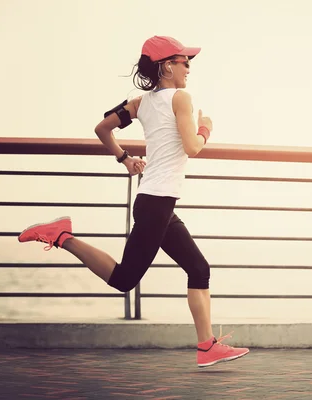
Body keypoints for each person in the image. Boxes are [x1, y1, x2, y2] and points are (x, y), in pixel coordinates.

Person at [17, 35, 249, 368]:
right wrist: (205, 128)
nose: (189, 69)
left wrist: (125, 159)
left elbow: (102, 128)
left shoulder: (141, 103)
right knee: (125, 280)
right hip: (156, 203)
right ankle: (61, 236)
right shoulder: (181, 98)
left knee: (199, 269)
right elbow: (192, 148)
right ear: (167, 66)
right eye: (185, 62)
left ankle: (206, 346)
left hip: (157, 202)